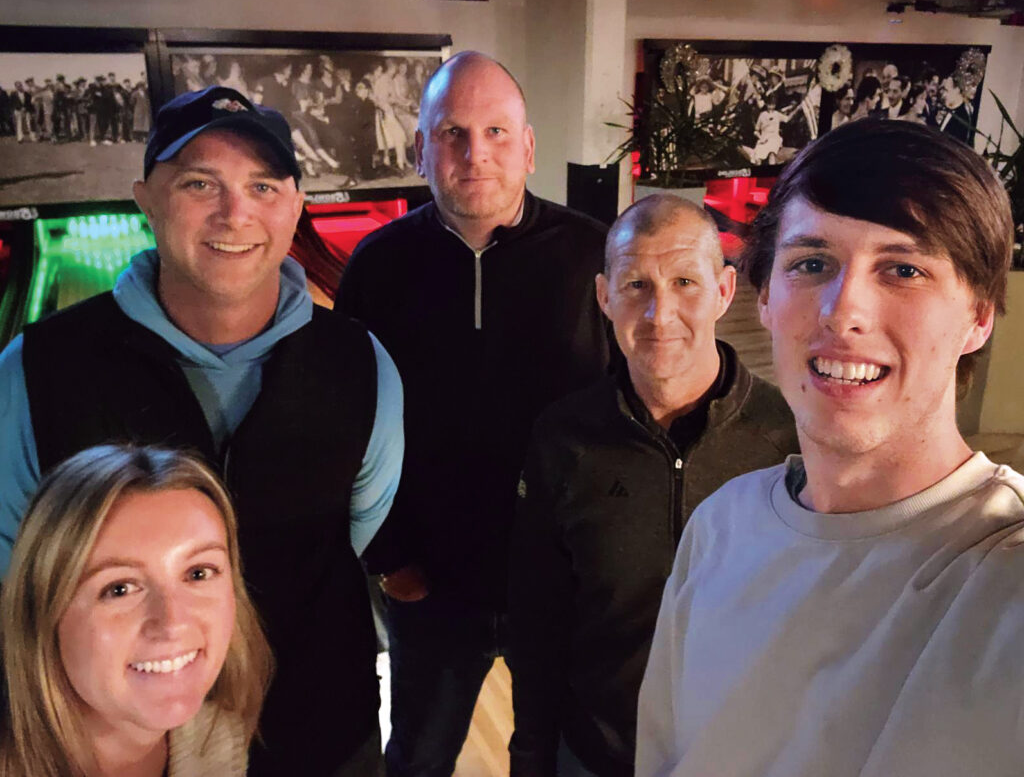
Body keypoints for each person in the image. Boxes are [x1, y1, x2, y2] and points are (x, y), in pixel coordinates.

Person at [0, 85, 404, 777]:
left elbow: (359, 527)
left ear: (296, 207)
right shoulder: (34, 369)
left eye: (262, 186)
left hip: (324, 725)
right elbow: (20, 572)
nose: (234, 212)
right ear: (146, 199)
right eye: (199, 183)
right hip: (120, 745)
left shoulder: (362, 362)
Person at [636, 119, 1024, 777]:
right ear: (764, 297)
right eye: (812, 264)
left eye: (903, 269)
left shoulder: (997, 571)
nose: (844, 312)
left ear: (978, 316)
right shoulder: (720, 527)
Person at [337, 51, 611, 777]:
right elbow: (345, 420)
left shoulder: (593, 255)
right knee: (418, 757)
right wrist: (388, 558)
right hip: (431, 583)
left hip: (561, 581)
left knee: (554, 757)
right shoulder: (378, 264)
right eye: (452, 133)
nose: (475, 153)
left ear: (528, 147)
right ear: (420, 149)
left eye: (495, 132)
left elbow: (629, 409)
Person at [508, 195, 798, 777]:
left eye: (684, 282)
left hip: (749, 758)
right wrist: (531, 755)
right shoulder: (563, 437)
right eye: (636, 284)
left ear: (723, 291)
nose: (659, 314)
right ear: (603, 297)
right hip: (597, 755)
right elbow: (538, 617)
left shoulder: (790, 436)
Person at [0, 443, 272, 777]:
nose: (173, 623)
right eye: (119, 589)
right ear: (43, 614)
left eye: (198, 573)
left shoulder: (219, 738)